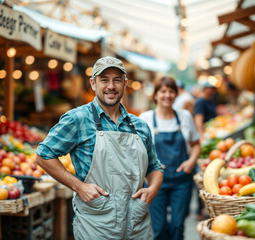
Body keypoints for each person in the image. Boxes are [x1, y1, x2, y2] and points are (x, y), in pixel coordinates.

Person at [35, 56, 163, 240]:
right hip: (97, 225)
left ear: (125, 84)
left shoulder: (140, 126)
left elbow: (154, 167)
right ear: (93, 84)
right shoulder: (78, 119)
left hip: (137, 226)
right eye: (104, 80)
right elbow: (43, 155)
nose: (111, 86)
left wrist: (152, 190)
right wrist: (79, 187)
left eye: (117, 80)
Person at [139, 76, 201, 240]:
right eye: (163, 91)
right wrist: (148, 165)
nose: (167, 95)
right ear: (156, 95)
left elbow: (196, 145)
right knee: (158, 229)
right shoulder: (144, 119)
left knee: (177, 227)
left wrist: (191, 161)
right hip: (154, 183)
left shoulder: (185, 116)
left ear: (176, 94)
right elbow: (135, 151)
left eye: (171, 91)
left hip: (181, 180)